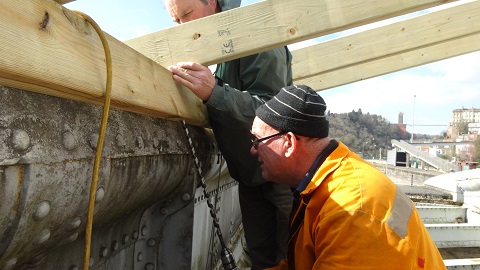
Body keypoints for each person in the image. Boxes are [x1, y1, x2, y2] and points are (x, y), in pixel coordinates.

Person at [250, 84, 446, 270]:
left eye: (257, 140)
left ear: (289, 143)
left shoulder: (351, 210)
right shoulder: (327, 186)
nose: (253, 150)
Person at [164, 0, 293, 268]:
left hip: (280, 176)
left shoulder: (252, 34)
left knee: (291, 257)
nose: (182, 27)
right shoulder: (220, 47)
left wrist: (214, 92)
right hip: (251, 176)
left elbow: (272, 112)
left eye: (187, 14)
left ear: (211, 2)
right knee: (263, 259)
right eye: (176, 21)